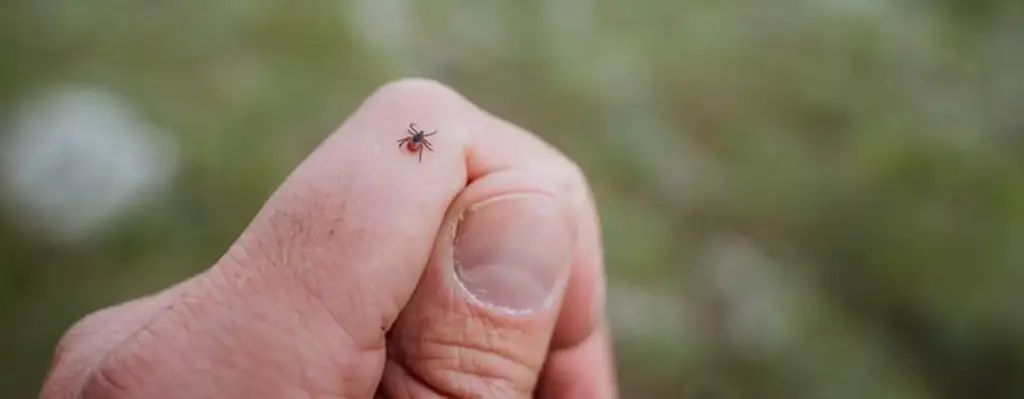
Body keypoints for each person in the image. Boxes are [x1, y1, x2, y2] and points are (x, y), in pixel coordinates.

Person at [38, 79, 617, 398]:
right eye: (416, 141)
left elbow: (417, 138)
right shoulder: (417, 141)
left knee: (421, 140)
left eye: (418, 140)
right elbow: (416, 139)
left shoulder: (418, 138)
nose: (416, 140)